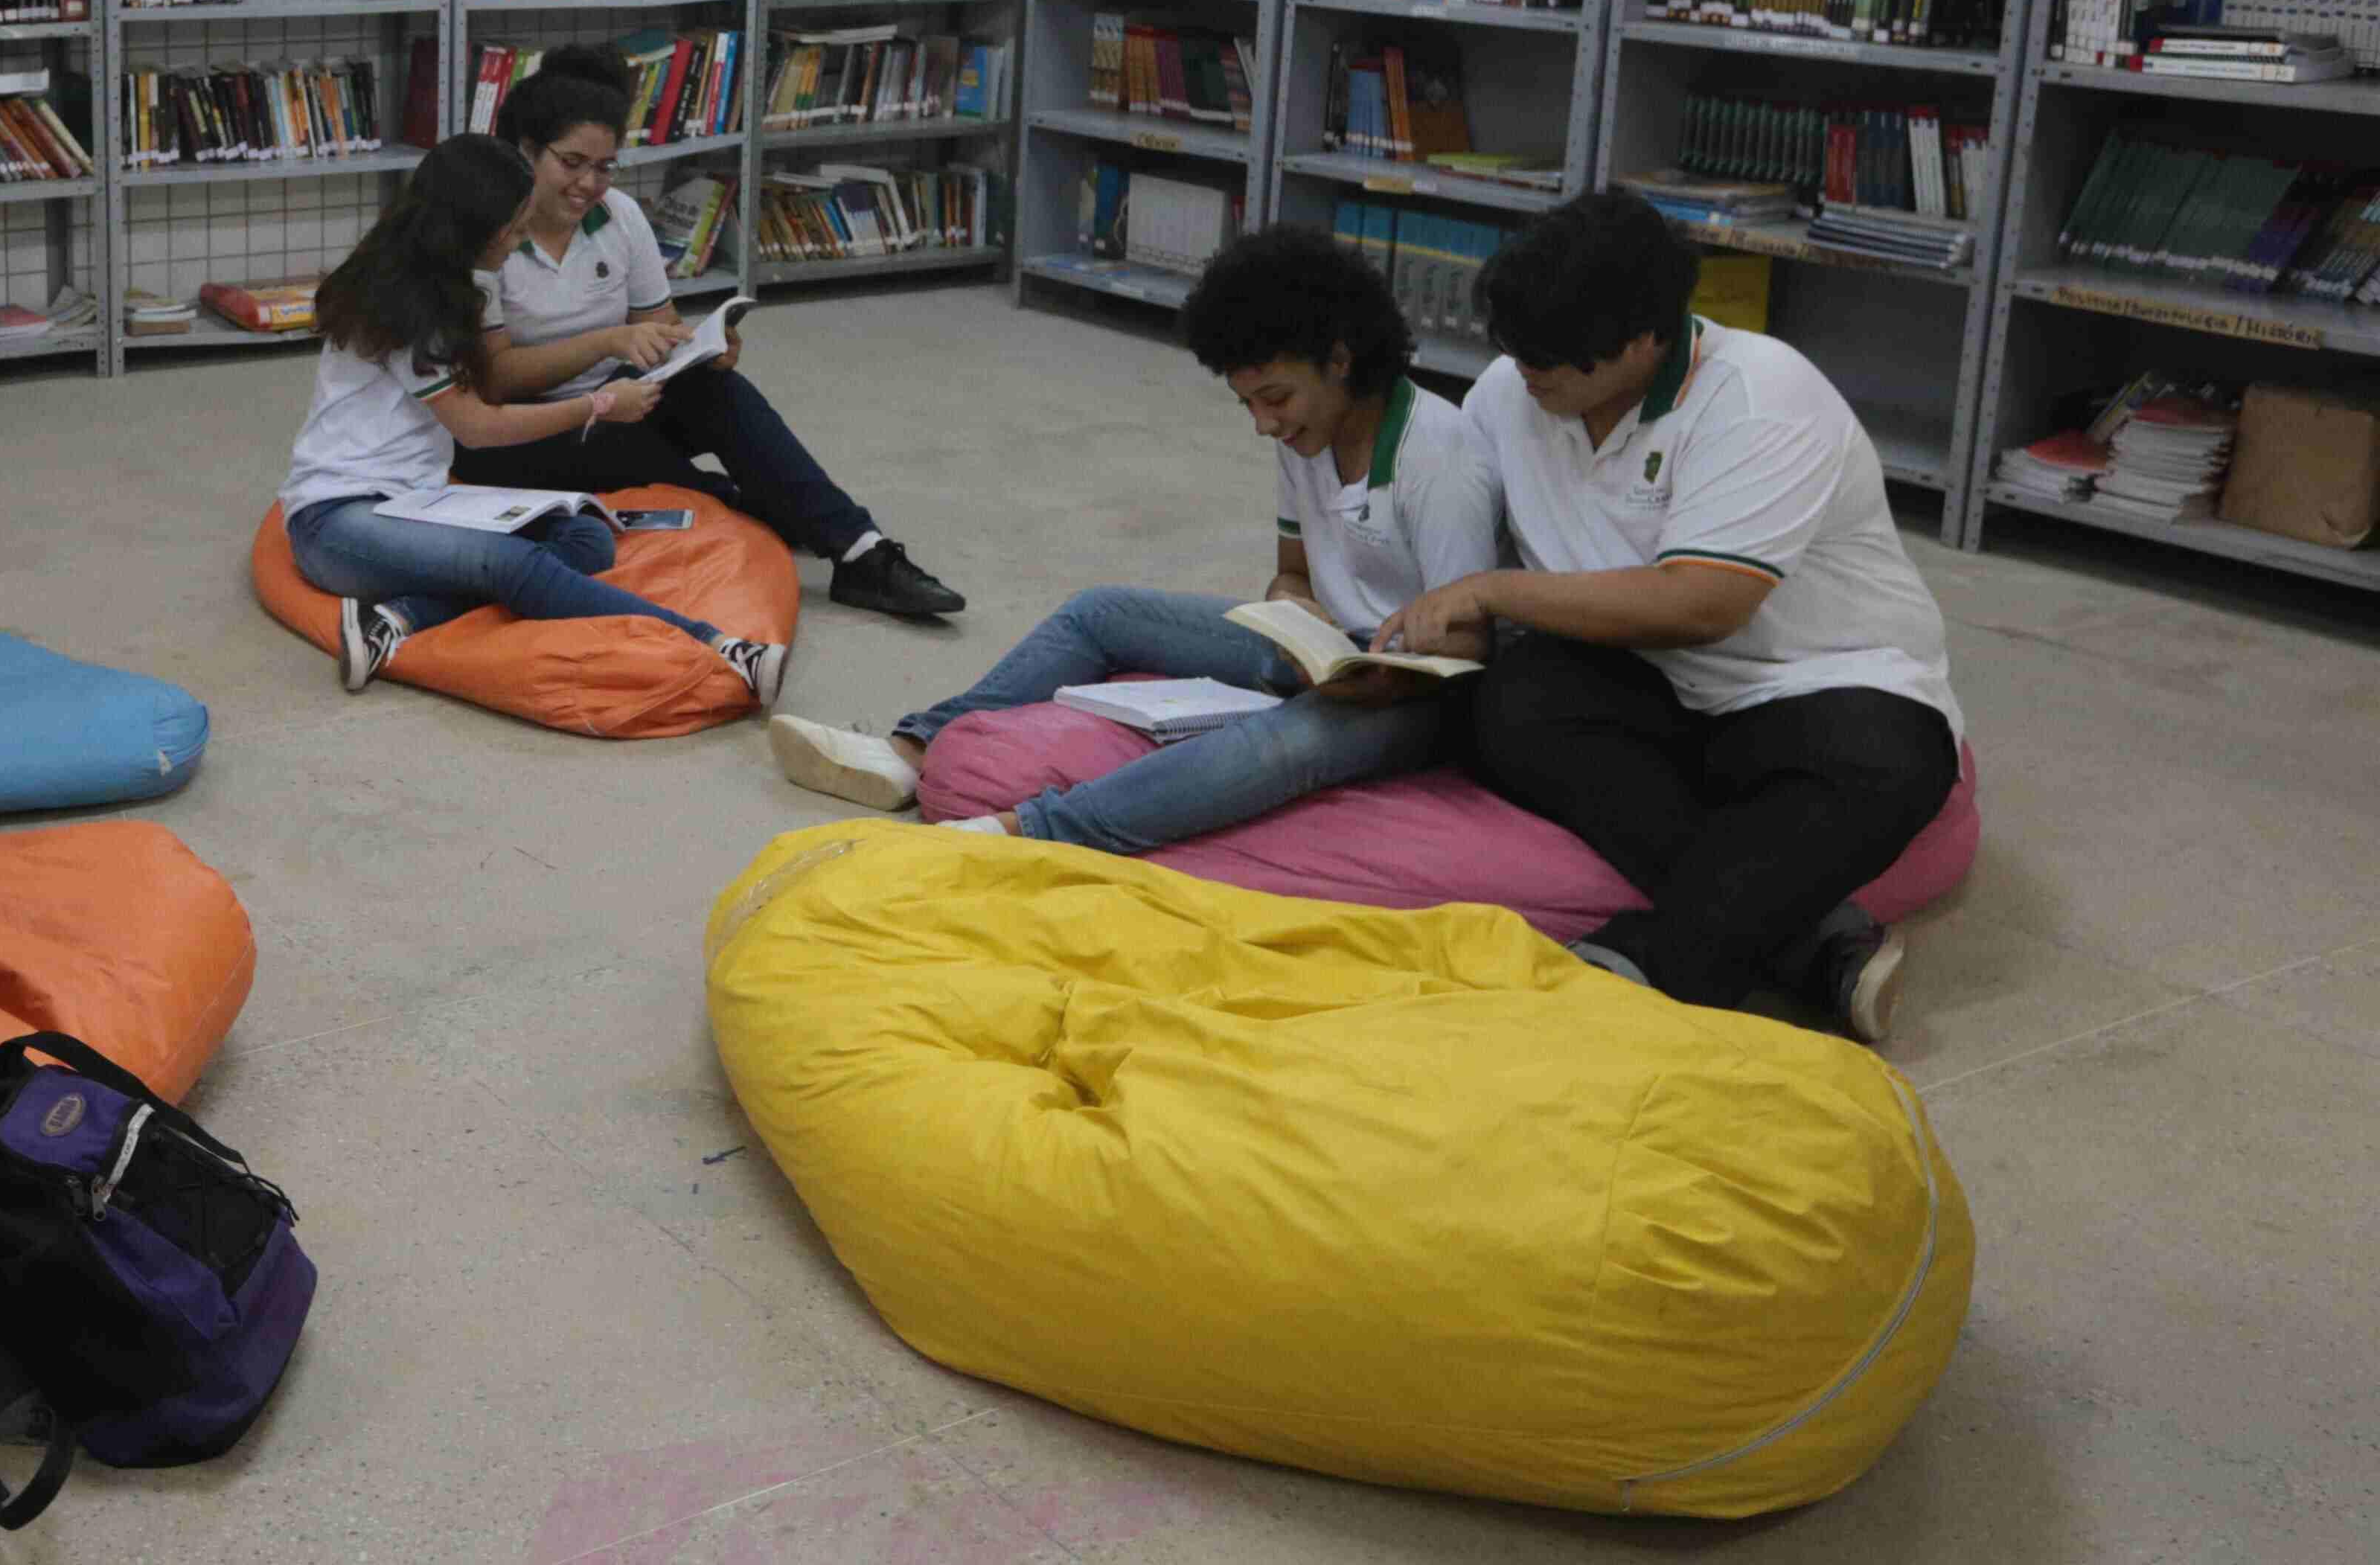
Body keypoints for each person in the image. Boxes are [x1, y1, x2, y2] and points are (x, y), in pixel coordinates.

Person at [1375, 188, 1960, 1042]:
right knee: (1508, 704)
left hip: (1813, 688)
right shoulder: (1511, 391)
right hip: (1650, 686)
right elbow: (1454, 535)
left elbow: (1700, 604)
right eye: (1515, 345)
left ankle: (1647, 965)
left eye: (1552, 354)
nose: (1525, 369)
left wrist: (1493, 592)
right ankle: (1809, 945)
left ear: (1645, 339)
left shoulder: (1761, 394)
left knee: (1890, 764)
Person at [767, 223, 1500, 848]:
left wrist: (1371, 680)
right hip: (1328, 655)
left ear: (1340, 360)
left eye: (1275, 399)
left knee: (1281, 743)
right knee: (1099, 613)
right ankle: (908, 750)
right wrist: (1290, 609)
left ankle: (1027, 833)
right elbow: (1293, 572)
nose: (1264, 424)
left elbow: (1468, 647)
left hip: (1411, 699)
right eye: (1248, 404)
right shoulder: (1305, 432)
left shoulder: (1440, 458)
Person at [457, 47, 965, 624]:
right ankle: (752, 503)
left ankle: (862, 552)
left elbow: (661, 325)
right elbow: (495, 383)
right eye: (572, 163)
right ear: (527, 151)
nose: (589, 184)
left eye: (604, 167)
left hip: (620, 402)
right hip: (531, 429)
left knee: (717, 391)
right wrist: (607, 343)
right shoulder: (489, 231)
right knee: (646, 455)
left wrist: (700, 348)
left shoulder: (619, 215)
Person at [284, 132, 791, 703]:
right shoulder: (409, 305)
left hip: (413, 501)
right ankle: (717, 647)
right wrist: (598, 405)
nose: (522, 238)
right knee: (514, 564)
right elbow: (477, 427)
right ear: (473, 228)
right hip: (335, 523)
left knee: (585, 538)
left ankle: (399, 617)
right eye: (514, 228)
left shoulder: (440, 278)